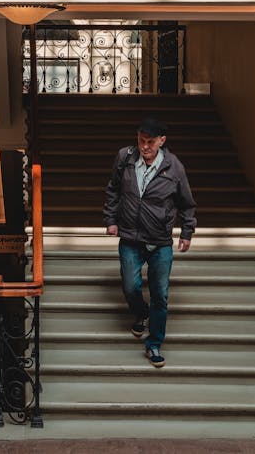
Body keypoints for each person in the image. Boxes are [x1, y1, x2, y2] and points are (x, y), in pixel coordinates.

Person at [102, 115, 196, 369]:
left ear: (162, 141)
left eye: (150, 142)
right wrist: (110, 219)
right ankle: (141, 314)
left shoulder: (174, 167)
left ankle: (154, 343)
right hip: (130, 238)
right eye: (141, 140)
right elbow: (113, 189)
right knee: (131, 287)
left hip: (160, 242)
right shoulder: (125, 157)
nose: (144, 146)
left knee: (160, 296)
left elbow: (186, 204)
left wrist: (187, 233)